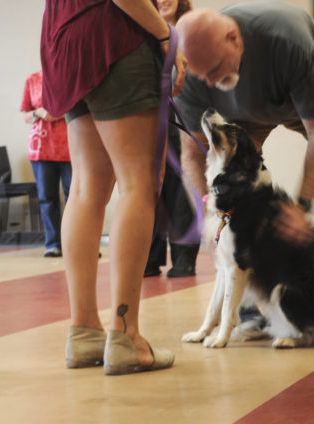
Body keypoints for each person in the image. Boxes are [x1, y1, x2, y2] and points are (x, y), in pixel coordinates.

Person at [174, 0, 314, 329]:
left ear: (233, 39)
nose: (209, 82)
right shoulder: (191, 70)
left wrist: (301, 206)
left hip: (303, 99)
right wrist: (209, 215)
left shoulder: (287, 40)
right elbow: (192, 152)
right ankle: (257, 297)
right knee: (233, 206)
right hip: (241, 114)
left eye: (214, 70)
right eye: (202, 76)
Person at [40, 0, 185, 375]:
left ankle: (84, 331)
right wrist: (165, 33)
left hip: (63, 39)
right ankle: (126, 337)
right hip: (116, 33)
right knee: (139, 183)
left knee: (86, 187)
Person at [145, 0, 199, 279]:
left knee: (180, 191)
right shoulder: (141, 28)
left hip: (183, 118)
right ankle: (148, 259)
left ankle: (184, 259)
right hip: (149, 119)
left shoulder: (190, 29)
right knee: (148, 189)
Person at [20, 70, 71, 258]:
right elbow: (25, 114)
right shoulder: (32, 79)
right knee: (47, 198)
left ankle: (78, 244)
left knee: (76, 197)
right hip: (41, 149)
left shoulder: (70, 76)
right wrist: (39, 112)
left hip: (71, 147)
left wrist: (61, 113)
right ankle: (53, 244)